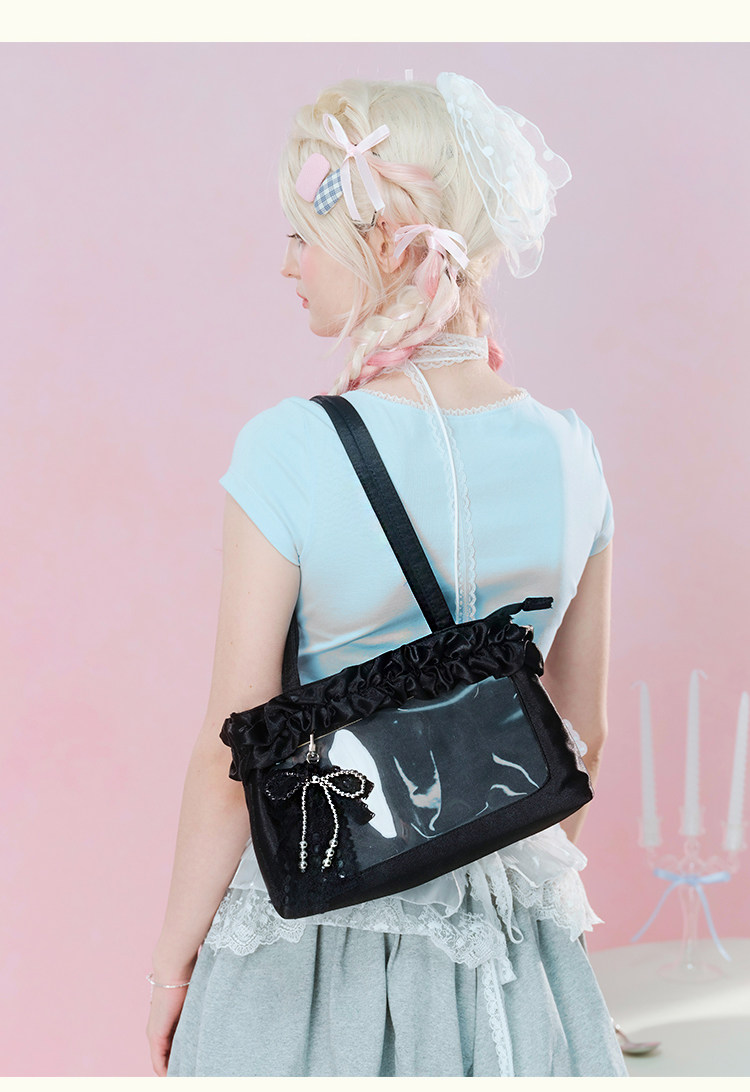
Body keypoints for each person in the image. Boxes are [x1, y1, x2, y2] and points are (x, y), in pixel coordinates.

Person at [146, 72, 628, 1078]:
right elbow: (580, 729)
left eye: (302, 234)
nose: (286, 262)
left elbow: (233, 753)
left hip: (313, 938)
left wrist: (171, 968)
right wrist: (499, 871)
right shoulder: (573, 451)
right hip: (513, 951)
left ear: (379, 239)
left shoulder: (291, 448)